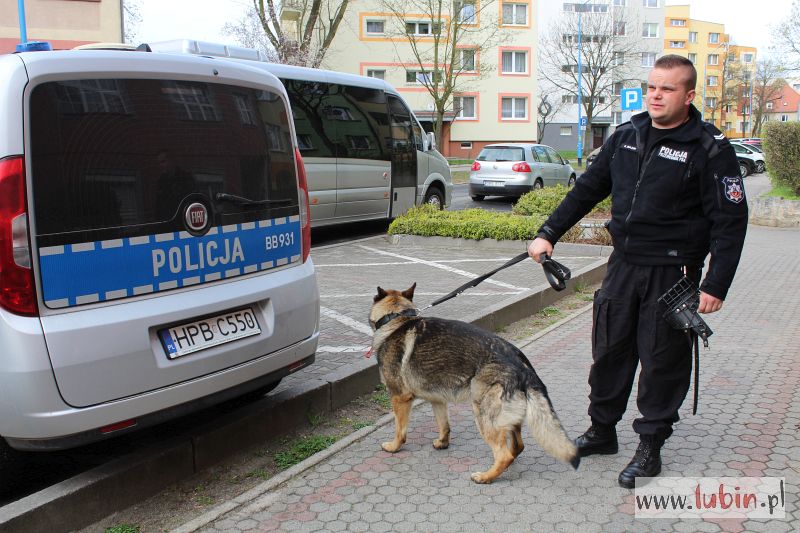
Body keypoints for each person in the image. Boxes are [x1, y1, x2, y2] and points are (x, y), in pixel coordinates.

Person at [527, 55, 748, 489]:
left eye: (666, 89)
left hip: (674, 271)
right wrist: (548, 232)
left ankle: (650, 446)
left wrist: (715, 283)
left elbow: (730, 221)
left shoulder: (710, 147)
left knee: (662, 360)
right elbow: (588, 188)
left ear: (688, 95)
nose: (655, 95)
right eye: (651, 87)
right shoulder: (627, 135)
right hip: (623, 265)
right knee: (609, 351)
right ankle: (602, 430)